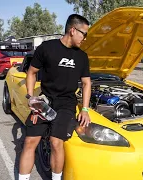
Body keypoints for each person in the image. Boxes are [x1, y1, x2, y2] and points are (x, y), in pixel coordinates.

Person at [18, 14, 91, 180]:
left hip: (66, 104)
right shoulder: (46, 48)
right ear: (72, 30)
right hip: (45, 102)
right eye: (84, 34)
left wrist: (85, 109)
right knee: (30, 142)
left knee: (56, 142)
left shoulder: (82, 57)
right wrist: (30, 98)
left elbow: (87, 83)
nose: (85, 38)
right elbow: (31, 72)